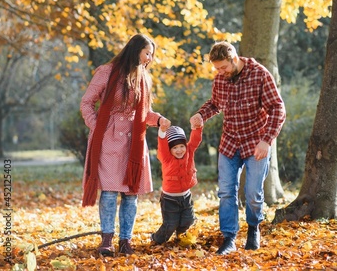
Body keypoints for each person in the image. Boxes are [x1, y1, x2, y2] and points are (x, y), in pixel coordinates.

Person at [190, 41, 286, 255]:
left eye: (223, 67)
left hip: (256, 143)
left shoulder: (260, 74)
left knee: (252, 192)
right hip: (230, 143)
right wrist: (201, 114)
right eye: (217, 69)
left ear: (234, 58)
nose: (220, 72)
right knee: (226, 192)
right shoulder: (220, 79)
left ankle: (254, 228)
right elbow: (215, 104)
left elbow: (278, 108)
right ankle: (229, 238)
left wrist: (267, 139)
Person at [80, 33, 171, 256]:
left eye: (152, 54)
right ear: (135, 49)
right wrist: (98, 127)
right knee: (110, 193)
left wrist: (158, 120)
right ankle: (107, 240)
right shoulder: (107, 71)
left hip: (133, 143)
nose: (149, 58)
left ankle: (125, 240)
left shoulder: (144, 78)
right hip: (108, 141)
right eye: (147, 52)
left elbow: (143, 113)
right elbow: (86, 103)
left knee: (131, 194)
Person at [151, 124, 203, 245]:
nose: (179, 150)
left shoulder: (189, 151)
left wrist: (197, 127)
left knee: (188, 220)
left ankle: (180, 238)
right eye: (175, 148)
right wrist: (162, 132)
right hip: (170, 199)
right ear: (169, 149)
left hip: (186, 197)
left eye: (181, 146)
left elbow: (195, 140)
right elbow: (162, 145)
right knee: (170, 225)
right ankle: (156, 239)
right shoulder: (166, 157)